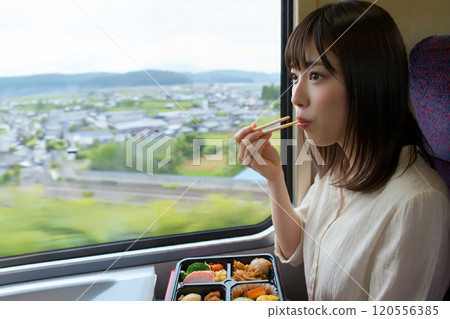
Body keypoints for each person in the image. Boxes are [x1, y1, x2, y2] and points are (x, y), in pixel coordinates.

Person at [232, 0, 449, 300]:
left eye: (316, 75)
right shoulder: (337, 167)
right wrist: (274, 177)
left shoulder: (418, 204)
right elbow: (294, 247)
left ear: (367, 82)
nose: (296, 96)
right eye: (295, 76)